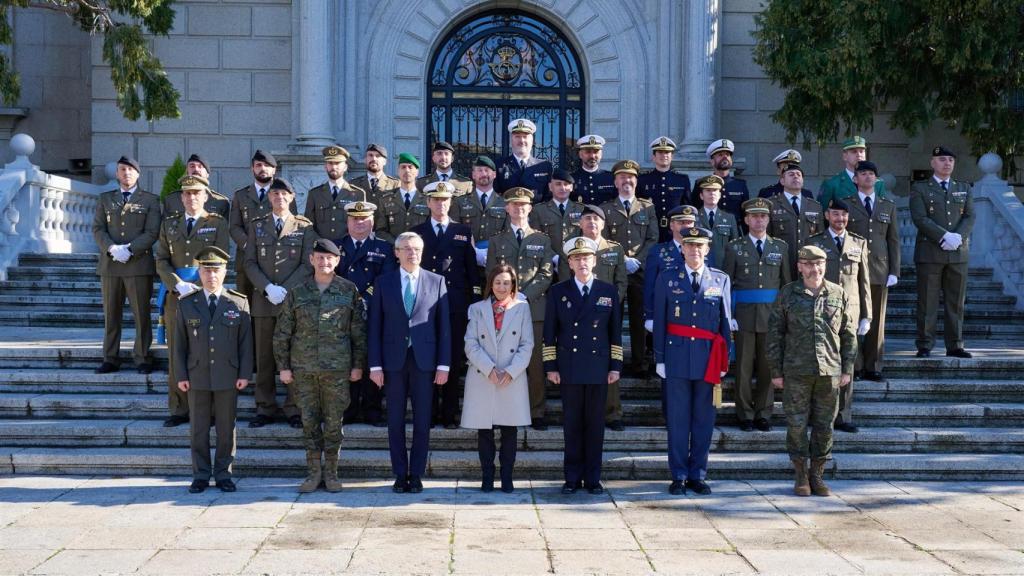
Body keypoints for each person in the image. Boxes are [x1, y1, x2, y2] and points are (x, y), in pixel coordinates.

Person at [274, 239, 366, 493]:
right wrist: (283, 366)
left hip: (337, 370)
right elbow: (282, 332)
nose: (324, 262)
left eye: (329, 258)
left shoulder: (348, 290)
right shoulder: (297, 291)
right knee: (309, 423)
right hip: (304, 370)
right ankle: (313, 473)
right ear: (311, 260)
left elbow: (358, 332)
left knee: (334, 424)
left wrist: (358, 365)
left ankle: (332, 474)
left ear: (337, 261)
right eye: (320, 257)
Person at [768, 245, 857, 497]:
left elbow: (848, 334)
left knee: (825, 426)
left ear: (825, 266)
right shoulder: (787, 293)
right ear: (799, 267)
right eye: (808, 264)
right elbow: (775, 334)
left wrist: (847, 368)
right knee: (796, 425)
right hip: (796, 371)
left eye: (819, 264)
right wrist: (776, 371)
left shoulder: (838, 293)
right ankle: (800, 474)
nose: (814, 269)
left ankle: (817, 474)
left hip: (829, 371)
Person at [368, 232, 452, 494]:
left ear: (422, 252)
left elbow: (444, 326)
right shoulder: (383, 282)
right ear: (396, 253)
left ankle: (416, 474)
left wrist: (444, 364)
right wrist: (375, 365)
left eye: (416, 248)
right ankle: (399, 473)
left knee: (422, 421)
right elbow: (375, 326)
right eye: (405, 248)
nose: (411, 253)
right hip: (393, 362)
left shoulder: (437, 281)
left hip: (424, 361)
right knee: (394, 421)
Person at [653, 227, 731, 495]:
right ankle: (678, 475)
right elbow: (660, 320)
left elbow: (725, 323)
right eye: (690, 245)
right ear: (682, 249)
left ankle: (697, 474)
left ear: (707, 249)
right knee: (677, 420)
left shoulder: (720, 279)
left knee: (704, 420)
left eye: (699, 246)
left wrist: (724, 360)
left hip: (708, 359)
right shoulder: (667, 278)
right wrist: (660, 358)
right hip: (676, 357)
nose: (694, 250)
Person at [543, 237, 622, 495]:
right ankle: (572, 478)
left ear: (595, 261)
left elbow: (615, 332)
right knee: (572, 425)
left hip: (598, 367)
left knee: (595, 425)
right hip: (570, 366)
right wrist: (551, 366)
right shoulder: (558, 291)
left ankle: (593, 478)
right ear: (569, 263)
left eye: (586, 257)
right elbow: (549, 333)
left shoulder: (608, 291)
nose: (582, 262)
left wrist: (615, 366)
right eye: (576, 258)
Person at [173, 246, 253, 494]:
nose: (211, 275)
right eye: (206, 271)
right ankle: (200, 474)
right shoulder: (187, 303)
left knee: (226, 429)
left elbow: (246, 343)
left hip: (228, 375)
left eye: (216, 270)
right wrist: (181, 375)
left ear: (225, 271)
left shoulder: (238, 302)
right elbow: (179, 344)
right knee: (198, 429)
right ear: (199, 272)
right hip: (197, 375)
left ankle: (223, 474)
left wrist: (244, 373)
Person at [155, 175, 230, 427]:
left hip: (206, 295)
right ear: (181, 197)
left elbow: (221, 259)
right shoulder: (170, 224)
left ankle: (208, 410)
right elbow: (161, 259)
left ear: (206, 196)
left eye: (196, 193)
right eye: (187, 193)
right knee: (177, 353)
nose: (191, 197)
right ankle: (179, 408)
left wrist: (198, 285)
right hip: (176, 295)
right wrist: (177, 283)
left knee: (206, 352)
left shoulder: (217, 223)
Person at [243, 177, 316, 429]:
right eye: (275, 194)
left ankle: (294, 407)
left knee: (294, 355)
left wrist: (285, 289)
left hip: (292, 301)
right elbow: (249, 262)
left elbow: (308, 263)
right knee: (264, 358)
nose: (279, 198)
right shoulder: (257, 226)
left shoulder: (304, 227)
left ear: (292, 197)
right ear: (269, 197)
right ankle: (264, 407)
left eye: (284, 194)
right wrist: (267, 287)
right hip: (264, 302)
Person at [485, 187, 555, 430]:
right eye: (514, 204)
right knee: (504, 362)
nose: (519, 208)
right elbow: (491, 273)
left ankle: (537, 412)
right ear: (507, 208)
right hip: (503, 310)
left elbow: (546, 273)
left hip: (534, 309)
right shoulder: (496, 240)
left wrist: (523, 295)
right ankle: (504, 411)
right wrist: (507, 296)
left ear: (530, 208)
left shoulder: (542, 239)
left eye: (523, 205)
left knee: (534, 364)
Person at [411, 181, 479, 428]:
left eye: (445, 200)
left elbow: (472, 270)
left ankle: (449, 413)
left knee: (451, 357)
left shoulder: (463, 231)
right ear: (428, 202)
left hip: (454, 303)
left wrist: (473, 301)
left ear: (451, 203)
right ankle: (429, 413)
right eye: (436, 199)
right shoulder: (416, 232)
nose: (441, 204)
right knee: (427, 357)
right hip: (425, 304)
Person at [462, 265, 533, 493]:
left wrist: (511, 371)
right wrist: (488, 368)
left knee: (510, 431)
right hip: (484, 376)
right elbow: (470, 343)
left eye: (506, 283)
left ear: (513, 285)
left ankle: (507, 477)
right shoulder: (477, 309)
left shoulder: (522, 308)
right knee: (485, 431)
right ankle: (487, 477)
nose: (502, 287)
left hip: (511, 377)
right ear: (490, 284)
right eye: (497, 282)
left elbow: (527, 344)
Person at [722, 197, 791, 431]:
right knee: (743, 367)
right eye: (754, 216)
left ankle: (763, 413)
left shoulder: (780, 247)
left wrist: (785, 315)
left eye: (763, 216)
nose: (759, 220)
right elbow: (726, 283)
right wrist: (728, 314)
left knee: (767, 367)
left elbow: (786, 284)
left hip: (771, 316)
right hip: (743, 315)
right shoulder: (734, 247)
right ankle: (744, 414)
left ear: (768, 219)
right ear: (746, 220)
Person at [806, 198, 873, 433]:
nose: (840, 219)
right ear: (827, 216)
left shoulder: (858, 243)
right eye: (835, 214)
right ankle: (820, 415)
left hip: (849, 313)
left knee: (847, 364)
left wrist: (867, 315)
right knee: (819, 364)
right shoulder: (814, 242)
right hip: (821, 311)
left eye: (843, 215)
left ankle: (843, 415)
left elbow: (864, 281)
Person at [92, 155, 161, 375]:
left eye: (131, 170)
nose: (127, 173)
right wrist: (112, 248)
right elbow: (98, 228)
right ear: (117, 173)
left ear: (138, 174)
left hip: (138, 264)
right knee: (111, 314)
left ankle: (142, 357)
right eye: (122, 169)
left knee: (141, 314)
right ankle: (110, 357)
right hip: (111, 265)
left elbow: (152, 232)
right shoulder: (105, 199)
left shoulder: (150, 200)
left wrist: (130, 249)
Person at [336, 200, 397, 427]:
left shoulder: (384, 248)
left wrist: (364, 299)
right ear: (347, 221)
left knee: (373, 360)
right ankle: (348, 410)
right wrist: (350, 300)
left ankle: (372, 411)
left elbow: (386, 280)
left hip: (374, 311)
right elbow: (332, 277)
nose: (359, 223)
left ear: (372, 221)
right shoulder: (336, 247)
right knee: (347, 359)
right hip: (342, 312)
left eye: (364, 219)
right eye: (355, 219)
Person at [910, 146, 975, 359]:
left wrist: (957, 237)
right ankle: (925, 344)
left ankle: (955, 345)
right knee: (927, 302)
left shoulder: (964, 188)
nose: (947, 163)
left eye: (950, 160)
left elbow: (970, 216)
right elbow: (920, 218)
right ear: (932, 163)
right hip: (930, 252)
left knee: (956, 302)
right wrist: (943, 236)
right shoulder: (920, 188)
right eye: (942, 159)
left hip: (957, 253)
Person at [599, 159, 659, 376]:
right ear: (615, 182)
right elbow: (603, 239)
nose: (627, 181)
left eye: (631, 177)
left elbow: (653, 237)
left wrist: (638, 261)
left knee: (639, 319)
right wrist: (623, 259)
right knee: (611, 317)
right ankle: (612, 361)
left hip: (640, 272)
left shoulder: (647, 207)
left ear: (636, 181)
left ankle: (639, 363)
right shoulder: (606, 208)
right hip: (614, 271)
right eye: (622, 177)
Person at [846, 161, 900, 382]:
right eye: (863, 173)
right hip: (852, 269)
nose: (867, 177)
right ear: (855, 179)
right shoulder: (846, 204)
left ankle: (874, 366)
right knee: (853, 318)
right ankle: (855, 365)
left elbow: (893, 240)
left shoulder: (888, 205)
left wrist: (894, 270)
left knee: (876, 320)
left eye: (871, 174)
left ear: (877, 180)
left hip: (879, 269)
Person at [229, 150, 296, 298]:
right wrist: (250, 245)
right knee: (245, 304)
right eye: (258, 165)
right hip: (246, 260)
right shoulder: (241, 195)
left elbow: (291, 226)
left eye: (267, 165)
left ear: (274, 169)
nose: (263, 168)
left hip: (275, 260)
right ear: (252, 169)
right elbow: (234, 227)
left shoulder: (283, 195)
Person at [451, 155, 508, 289]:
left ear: (494, 175)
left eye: (487, 170)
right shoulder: (459, 202)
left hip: (496, 265)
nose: (483, 174)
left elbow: (508, 233)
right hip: (466, 264)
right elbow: (453, 231)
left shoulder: (504, 203)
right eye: (479, 170)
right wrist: (473, 252)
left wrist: (491, 252)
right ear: (473, 175)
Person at [767, 163, 824, 279]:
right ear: (782, 181)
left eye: (798, 175)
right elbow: (767, 237)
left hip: (809, 264)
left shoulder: (814, 206)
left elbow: (821, 238)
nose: (795, 177)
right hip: (782, 262)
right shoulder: (772, 204)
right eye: (791, 174)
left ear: (802, 181)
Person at [304, 145, 367, 242]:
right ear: (325, 166)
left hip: (347, 247)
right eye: (330, 163)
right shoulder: (315, 194)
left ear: (345, 167)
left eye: (337, 163)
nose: (333, 167)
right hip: (321, 247)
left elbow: (360, 225)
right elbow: (308, 225)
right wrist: (321, 243)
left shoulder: (357, 194)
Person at [530, 168, 583, 281]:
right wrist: (553, 257)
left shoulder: (582, 209)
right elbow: (536, 238)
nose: (562, 188)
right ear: (550, 187)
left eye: (566, 184)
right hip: (548, 265)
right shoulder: (538, 211)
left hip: (576, 264)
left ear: (571, 187)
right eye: (558, 184)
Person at [639, 136, 692, 242]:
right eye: (660, 152)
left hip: (674, 232)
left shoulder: (682, 180)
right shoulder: (643, 180)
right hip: (649, 231)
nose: (664, 155)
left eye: (667, 152)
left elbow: (687, 207)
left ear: (672, 156)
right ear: (653, 157)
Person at [818, 136, 887, 207]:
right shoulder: (832, 184)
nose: (859, 155)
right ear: (845, 156)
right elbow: (821, 211)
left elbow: (883, 210)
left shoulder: (878, 184)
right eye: (854, 152)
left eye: (861, 151)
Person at [375, 152, 429, 241]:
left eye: (410, 167)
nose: (407, 170)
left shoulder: (427, 200)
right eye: (403, 167)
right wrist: (397, 243)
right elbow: (380, 231)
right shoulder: (386, 200)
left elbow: (430, 229)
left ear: (417, 172)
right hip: (393, 248)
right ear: (398, 171)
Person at [496, 118, 552, 201]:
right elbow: (496, 196)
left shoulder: (545, 166)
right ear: (511, 140)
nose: (521, 140)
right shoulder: (499, 165)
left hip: (537, 209)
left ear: (532, 141)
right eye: (517, 136)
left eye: (525, 137)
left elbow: (549, 197)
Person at [162, 154, 230, 218]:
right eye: (192, 166)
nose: (196, 169)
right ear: (187, 172)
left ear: (207, 174)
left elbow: (224, 226)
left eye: (200, 166)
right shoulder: (171, 200)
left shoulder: (221, 202)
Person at [694, 175, 740, 268]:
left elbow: (735, 246)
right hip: (699, 267)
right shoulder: (694, 217)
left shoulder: (729, 218)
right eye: (708, 190)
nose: (712, 193)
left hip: (723, 267)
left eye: (715, 190)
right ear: (701, 196)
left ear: (719, 195)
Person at [702, 138, 749, 220]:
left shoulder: (740, 185)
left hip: (735, 227)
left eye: (727, 154)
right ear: (712, 161)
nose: (725, 157)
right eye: (720, 155)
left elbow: (745, 213)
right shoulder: (702, 184)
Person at [570, 135, 615, 205]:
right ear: (580, 155)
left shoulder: (611, 178)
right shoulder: (571, 179)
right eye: (588, 152)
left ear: (601, 155)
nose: (592, 156)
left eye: (596, 152)